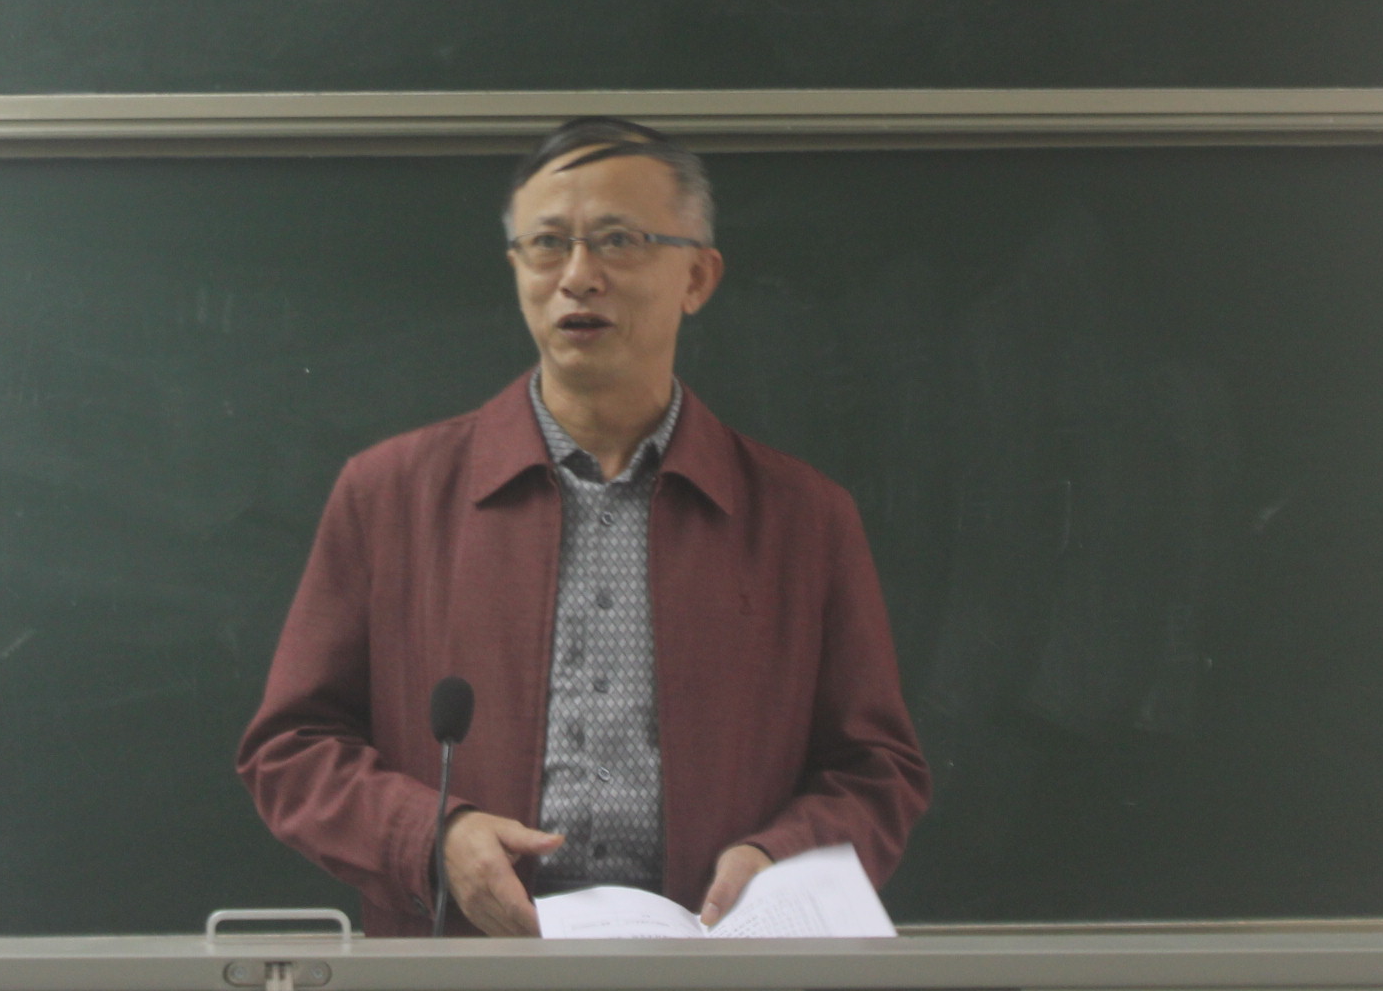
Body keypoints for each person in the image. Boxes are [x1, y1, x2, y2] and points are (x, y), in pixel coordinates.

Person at [237, 117, 929, 937]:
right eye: (547, 245)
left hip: (714, 966)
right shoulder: (390, 496)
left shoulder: (802, 518)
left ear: (697, 277)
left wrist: (778, 857)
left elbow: (875, 771)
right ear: (516, 270)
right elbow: (293, 747)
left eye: (618, 240)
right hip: (465, 967)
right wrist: (432, 839)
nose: (577, 276)